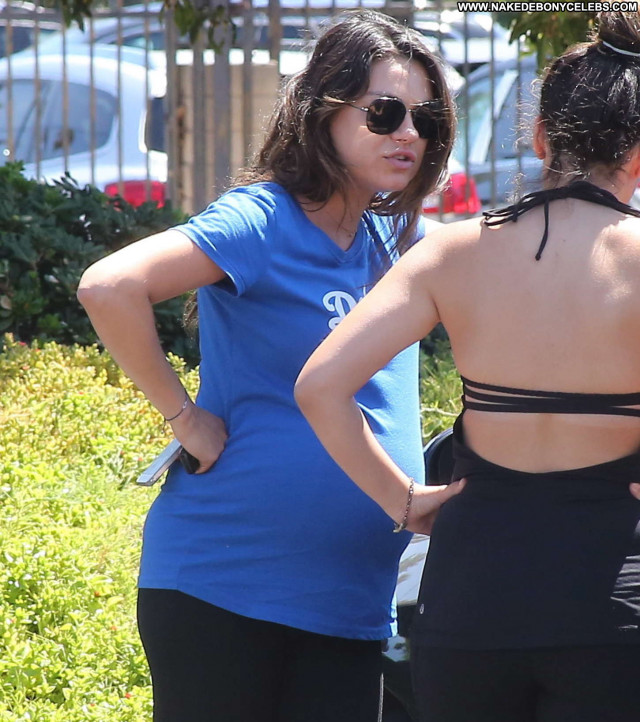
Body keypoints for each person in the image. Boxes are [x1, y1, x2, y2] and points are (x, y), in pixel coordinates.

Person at [77, 10, 456, 722]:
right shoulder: (262, 218)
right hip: (225, 588)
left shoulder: (402, 241)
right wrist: (184, 417)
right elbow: (109, 286)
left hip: (351, 602)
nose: (409, 133)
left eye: (426, 118)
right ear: (323, 112)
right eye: (384, 112)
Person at [295, 10, 640, 722]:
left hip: (471, 602)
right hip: (614, 607)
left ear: (540, 137)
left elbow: (320, 385)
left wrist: (402, 501)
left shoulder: (452, 253)